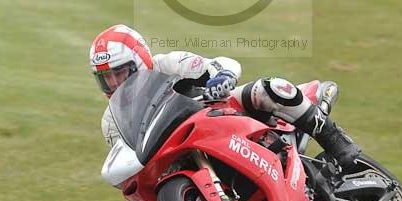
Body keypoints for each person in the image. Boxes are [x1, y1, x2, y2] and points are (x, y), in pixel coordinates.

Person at [91, 24, 361, 167]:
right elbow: (131, 162)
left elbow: (220, 64)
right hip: (180, 153)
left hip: (220, 115)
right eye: (107, 78)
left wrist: (220, 78)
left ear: (140, 60)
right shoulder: (110, 123)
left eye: (121, 72)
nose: (116, 83)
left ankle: (335, 140)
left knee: (269, 88)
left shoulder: (168, 64)